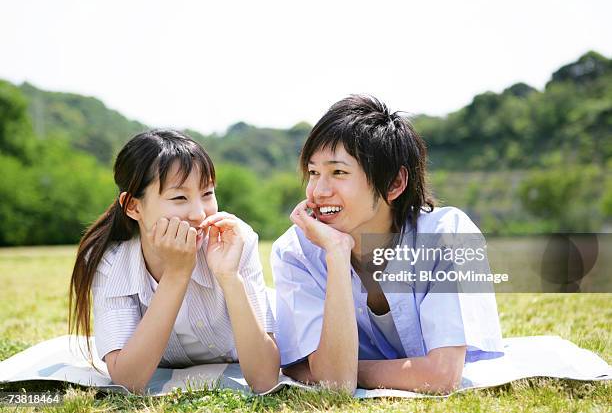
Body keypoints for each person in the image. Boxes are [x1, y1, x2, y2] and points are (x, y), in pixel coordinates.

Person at [271, 95, 504, 394]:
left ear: (394, 183)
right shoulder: (295, 252)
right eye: (314, 172)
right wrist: (337, 254)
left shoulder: (449, 235)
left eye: (339, 172)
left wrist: (341, 368)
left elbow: (442, 376)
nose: (318, 191)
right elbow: (331, 385)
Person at [69, 129, 279, 394]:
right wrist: (177, 274)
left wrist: (229, 276)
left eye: (207, 193)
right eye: (179, 198)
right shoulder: (110, 263)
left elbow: (264, 380)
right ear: (133, 206)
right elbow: (128, 381)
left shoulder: (233, 241)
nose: (198, 213)